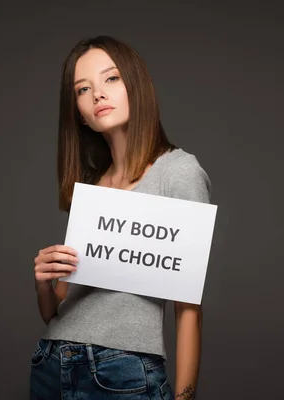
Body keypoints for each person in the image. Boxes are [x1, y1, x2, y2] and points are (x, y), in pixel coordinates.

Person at [30, 35, 212, 400]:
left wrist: (185, 397)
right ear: (78, 112)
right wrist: (42, 282)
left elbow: (188, 308)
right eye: (83, 88)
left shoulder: (178, 171)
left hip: (120, 371)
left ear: (136, 86)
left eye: (111, 79)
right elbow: (55, 311)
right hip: (51, 363)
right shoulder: (93, 186)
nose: (97, 94)